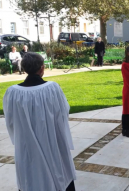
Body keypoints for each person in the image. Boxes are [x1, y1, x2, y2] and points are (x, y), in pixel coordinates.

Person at [3, 52, 76, 191]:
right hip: (52, 141)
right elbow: (63, 111)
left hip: (26, 145)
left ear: (24, 69)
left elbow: (10, 121)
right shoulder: (53, 88)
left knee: (31, 175)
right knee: (58, 171)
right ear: (42, 68)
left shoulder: (12, 93)